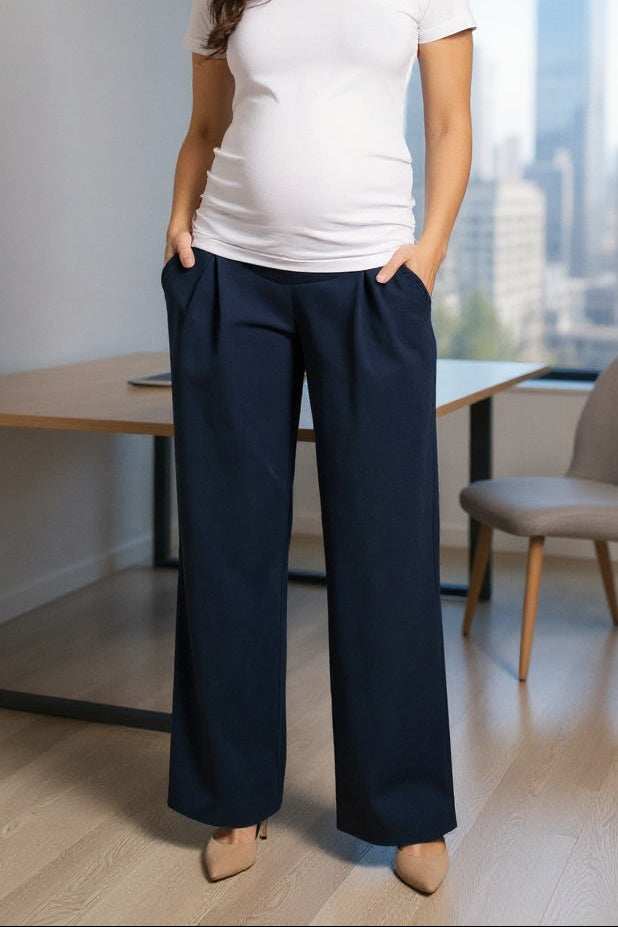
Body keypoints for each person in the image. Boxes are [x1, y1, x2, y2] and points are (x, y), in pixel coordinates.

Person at [162, 0, 475, 894]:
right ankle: (234, 797)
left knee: (388, 550)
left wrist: (429, 253)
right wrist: (178, 221)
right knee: (227, 549)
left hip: (373, 279)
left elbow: (449, 125)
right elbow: (206, 126)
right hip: (231, 274)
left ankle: (407, 808)